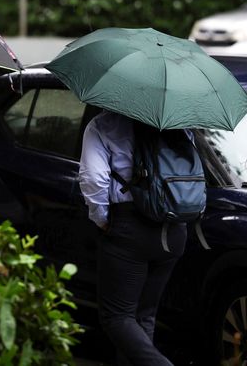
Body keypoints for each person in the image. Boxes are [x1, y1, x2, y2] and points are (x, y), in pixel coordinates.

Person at [79, 111, 187, 366]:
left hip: (130, 228)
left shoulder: (102, 125)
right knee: (143, 316)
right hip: (174, 229)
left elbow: (94, 179)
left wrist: (102, 219)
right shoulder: (178, 123)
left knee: (117, 317)